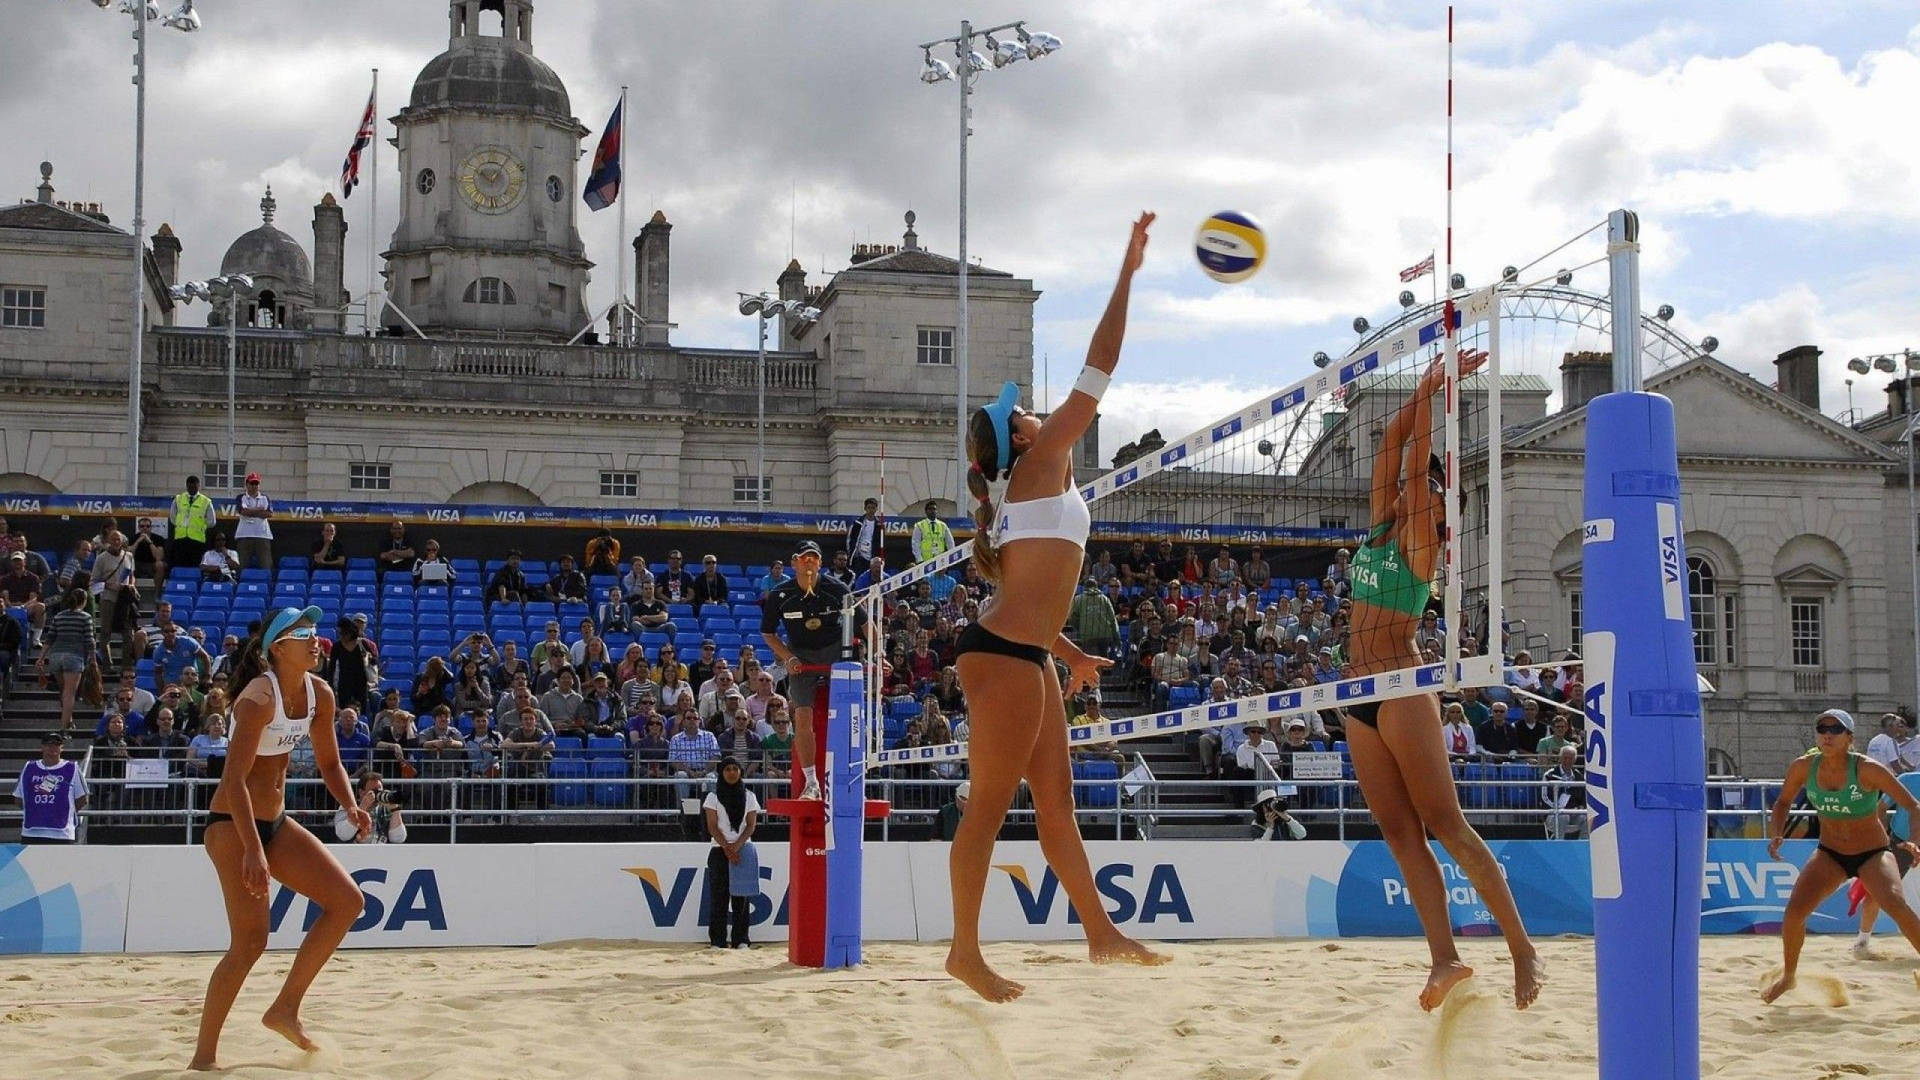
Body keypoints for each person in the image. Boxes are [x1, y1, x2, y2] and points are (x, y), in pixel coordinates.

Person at [945, 214, 1167, 1004]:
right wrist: (1128, 272)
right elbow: (1101, 363)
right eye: (1023, 411)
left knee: (1057, 807)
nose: (1034, 409)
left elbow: (1029, 592)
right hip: (1003, 656)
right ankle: (964, 953)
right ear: (1017, 439)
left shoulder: (1033, 484)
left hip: (1023, 650)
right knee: (989, 809)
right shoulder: (1040, 464)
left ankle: (1101, 934)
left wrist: (1067, 653)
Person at [1340, 348, 1539, 1012]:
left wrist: (1434, 399)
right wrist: (1422, 390)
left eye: (1420, 486)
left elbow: (1415, 450)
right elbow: (1394, 445)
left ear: (1433, 498)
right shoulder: (1377, 528)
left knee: (1447, 826)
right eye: (1406, 486)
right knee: (1399, 835)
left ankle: (1521, 949)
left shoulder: (1422, 540)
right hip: (1354, 697)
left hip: (1399, 685)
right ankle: (1444, 960)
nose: (1405, 488)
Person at [191, 606, 370, 1070]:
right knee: (249, 943)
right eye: (302, 633)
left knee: (348, 902)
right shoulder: (257, 699)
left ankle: (285, 1008)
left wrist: (349, 803)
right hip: (232, 826)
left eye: (315, 631)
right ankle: (203, 1059)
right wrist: (252, 849)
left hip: (273, 822)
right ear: (276, 647)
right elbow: (234, 782)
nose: (316, 639)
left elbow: (330, 764)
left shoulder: (320, 694)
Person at [1758, 708, 1920, 1004]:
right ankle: (1789, 977)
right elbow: (1782, 802)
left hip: (1872, 853)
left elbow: (1913, 806)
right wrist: (1777, 833)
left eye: (1836, 729)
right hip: (1830, 853)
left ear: (1849, 738)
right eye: (1823, 729)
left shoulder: (1868, 769)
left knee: (1896, 905)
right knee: (1794, 912)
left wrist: (1914, 841)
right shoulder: (1804, 767)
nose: (1828, 734)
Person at [760, 540, 856, 801]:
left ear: (821, 563)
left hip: (836, 650)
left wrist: (880, 654)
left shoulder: (839, 589)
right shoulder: (781, 594)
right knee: (802, 716)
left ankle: (853, 778)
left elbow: (863, 624)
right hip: (800, 654)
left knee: (852, 714)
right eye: (804, 558)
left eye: (814, 558)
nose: (809, 562)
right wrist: (788, 657)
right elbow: (767, 633)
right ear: (794, 562)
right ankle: (812, 782)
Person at [1849, 752, 1920, 957]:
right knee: (1876, 892)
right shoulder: (1907, 780)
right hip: (1901, 842)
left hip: (1905, 840)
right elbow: (1880, 808)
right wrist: (1882, 837)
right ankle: (1862, 942)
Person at [702, 756, 760, 949]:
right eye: (727, 769)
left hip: (743, 849)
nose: (732, 772)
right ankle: (717, 941)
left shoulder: (750, 796)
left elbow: (751, 826)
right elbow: (712, 826)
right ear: (721, 772)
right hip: (719, 850)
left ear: (740, 772)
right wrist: (727, 848)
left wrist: (736, 847)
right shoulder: (713, 797)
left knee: (742, 898)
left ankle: (741, 940)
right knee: (719, 897)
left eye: (735, 768)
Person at [35, 588, 95, 732]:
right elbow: (89, 640)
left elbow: (49, 638)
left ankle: (69, 721)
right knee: (69, 693)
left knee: (63, 692)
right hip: (74, 656)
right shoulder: (85, 617)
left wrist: (41, 657)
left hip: (55, 657)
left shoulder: (59, 616)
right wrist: (93, 660)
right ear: (84, 601)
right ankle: (64, 727)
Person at [12, 732, 88, 844]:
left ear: (62, 748)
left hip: (62, 833)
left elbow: (82, 799)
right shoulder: (29, 767)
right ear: (42, 747)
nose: (52, 747)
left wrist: (63, 810)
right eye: (49, 744)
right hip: (32, 832)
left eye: (57, 744)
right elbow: (18, 798)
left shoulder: (72, 768)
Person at [169, 475, 217, 583]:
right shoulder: (178, 499)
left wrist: (201, 526)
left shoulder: (206, 501)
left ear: (198, 486)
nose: (192, 487)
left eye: (194, 485)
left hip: (197, 541)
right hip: (180, 540)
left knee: (195, 568)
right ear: (186, 485)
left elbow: (212, 521)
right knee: (180, 567)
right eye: (189, 485)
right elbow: (172, 518)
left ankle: (193, 588)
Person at [233, 473, 274, 571]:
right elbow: (243, 512)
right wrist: (259, 510)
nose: (254, 486)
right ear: (247, 484)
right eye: (252, 483)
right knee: (241, 564)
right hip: (244, 535)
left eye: (256, 484)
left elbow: (269, 514)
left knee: (266, 564)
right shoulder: (240, 497)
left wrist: (251, 511)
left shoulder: (265, 498)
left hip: (263, 535)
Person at [912, 500, 955, 565]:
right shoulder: (919, 525)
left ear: (936, 511)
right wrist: (919, 559)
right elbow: (915, 544)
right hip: (925, 562)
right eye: (930, 509)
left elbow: (950, 543)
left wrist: (951, 558)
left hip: (940, 562)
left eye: (934, 509)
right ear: (926, 511)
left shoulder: (943, 525)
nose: (932, 511)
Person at [845, 497, 882, 573]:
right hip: (860, 557)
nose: (871, 510)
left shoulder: (879, 525)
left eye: (873, 508)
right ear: (865, 508)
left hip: (872, 557)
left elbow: (881, 542)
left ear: (876, 509)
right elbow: (850, 539)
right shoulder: (858, 523)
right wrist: (851, 553)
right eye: (869, 508)